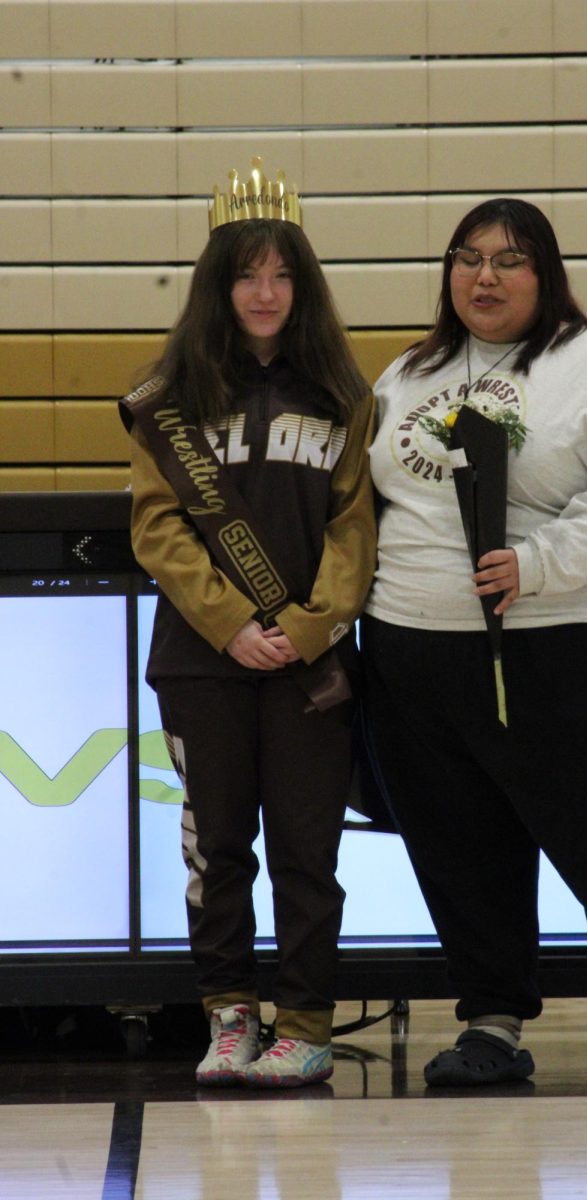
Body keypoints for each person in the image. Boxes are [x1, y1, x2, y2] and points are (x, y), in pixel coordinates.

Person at [362, 197, 587, 1092]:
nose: (485, 276)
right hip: (418, 649)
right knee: (460, 845)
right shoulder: (408, 374)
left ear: (545, 274)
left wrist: (541, 564)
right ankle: (490, 1022)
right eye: (468, 258)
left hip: (572, 640)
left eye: (510, 260)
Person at [121, 165, 376, 1089]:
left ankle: (304, 1024)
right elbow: (156, 527)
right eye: (246, 276)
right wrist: (232, 625)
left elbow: (354, 529)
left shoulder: (344, 395)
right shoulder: (168, 399)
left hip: (311, 669)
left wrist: (309, 629)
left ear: (302, 287)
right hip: (201, 663)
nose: (265, 294)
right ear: (217, 286)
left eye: (282, 277)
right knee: (217, 848)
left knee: (309, 854)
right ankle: (229, 1017)